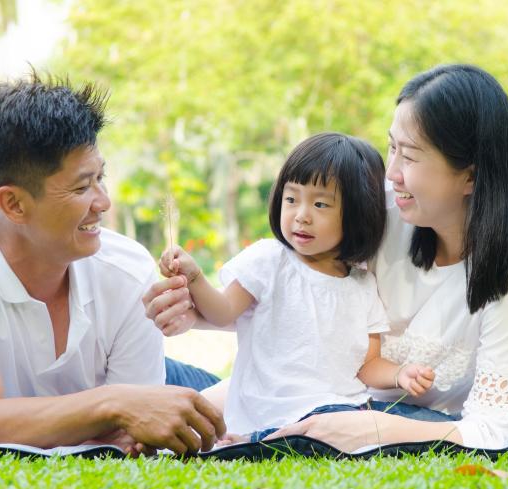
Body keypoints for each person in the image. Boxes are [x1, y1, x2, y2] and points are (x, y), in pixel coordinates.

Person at [144, 64, 508, 452]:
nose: (392, 172)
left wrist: (372, 429)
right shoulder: (377, 208)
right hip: (282, 394)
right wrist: (192, 309)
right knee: (148, 387)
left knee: (176, 408)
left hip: (360, 413)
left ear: (470, 175)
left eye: (411, 156)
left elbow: (496, 429)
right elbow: (293, 295)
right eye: (391, 148)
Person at [0, 73, 225, 456]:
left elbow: (138, 433)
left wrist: (124, 411)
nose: (103, 202)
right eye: (81, 187)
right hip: (109, 388)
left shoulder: (125, 269)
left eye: (100, 178)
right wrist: (114, 404)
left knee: (258, 400)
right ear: (14, 204)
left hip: (165, 373)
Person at [159, 133, 436, 443]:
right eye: (291, 199)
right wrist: (195, 278)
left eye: (320, 204)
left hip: (342, 409)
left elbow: (367, 365)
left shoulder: (362, 285)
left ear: (358, 214)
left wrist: (399, 374)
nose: (301, 216)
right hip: (275, 411)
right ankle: (257, 439)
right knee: (321, 431)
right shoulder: (269, 260)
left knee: (431, 422)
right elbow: (223, 312)